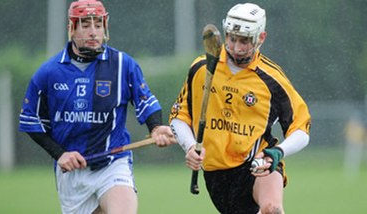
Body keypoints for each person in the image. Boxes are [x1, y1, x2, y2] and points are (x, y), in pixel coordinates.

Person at [19, 0, 176, 213]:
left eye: (98, 25)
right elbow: (31, 122)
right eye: (85, 25)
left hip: (113, 164)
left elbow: (145, 101)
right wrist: (60, 154)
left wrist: (156, 128)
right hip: (72, 175)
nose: (93, 32)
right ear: (72, 29)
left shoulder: (122, 65)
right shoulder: (49, 73)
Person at [169, 3, 311, 214]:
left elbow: (301, 129)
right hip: (217, 174)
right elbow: (179, 117)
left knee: (272, 208)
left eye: (244, 41)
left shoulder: (272, 80)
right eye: (231, 38)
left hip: (257, 162)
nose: (236, 47)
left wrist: (278, 152)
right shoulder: (201, 68)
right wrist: (190, 146)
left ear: (260, 38)